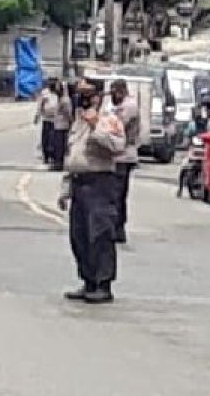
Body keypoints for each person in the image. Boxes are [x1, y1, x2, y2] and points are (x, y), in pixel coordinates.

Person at [58, 84, 126, 304]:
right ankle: (88, 280)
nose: (83, 99)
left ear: (98, 97)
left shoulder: (109, 119)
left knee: (100, 234)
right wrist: (65, 189)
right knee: (79, 237)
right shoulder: (77, 121)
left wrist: (96, 126)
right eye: (81, 94)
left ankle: (103, 284)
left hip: (100, 183)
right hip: (80, 182)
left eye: (88, 95)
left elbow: (117, 147)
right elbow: (72, 155)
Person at [109, 80, 140, 245]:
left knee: (117, 194)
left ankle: (117, 227)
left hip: (123, 155)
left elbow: (117, 126)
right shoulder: (117, 106)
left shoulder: (128, 107)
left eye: (114, 92)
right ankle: (115, 226)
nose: (112, 95)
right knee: (114, 194)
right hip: (116, 155)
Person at [49, 79, 73, 172]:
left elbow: (68, 113)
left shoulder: (65, 100)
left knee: (60, 146)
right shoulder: (60, 99)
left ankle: (59, 164)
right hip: (58, 125)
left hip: (63, 126)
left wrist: (71, 123)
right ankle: (57, 163)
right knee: (57, 146)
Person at [35, 80, 59, 165]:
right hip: (46, 118)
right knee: (46, 138)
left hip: (55, 119)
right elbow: (40, 104)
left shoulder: (58, 93)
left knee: (53, 138)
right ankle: (46, 156)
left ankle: (52, 155)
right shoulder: (45, 93)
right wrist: (37, 115)